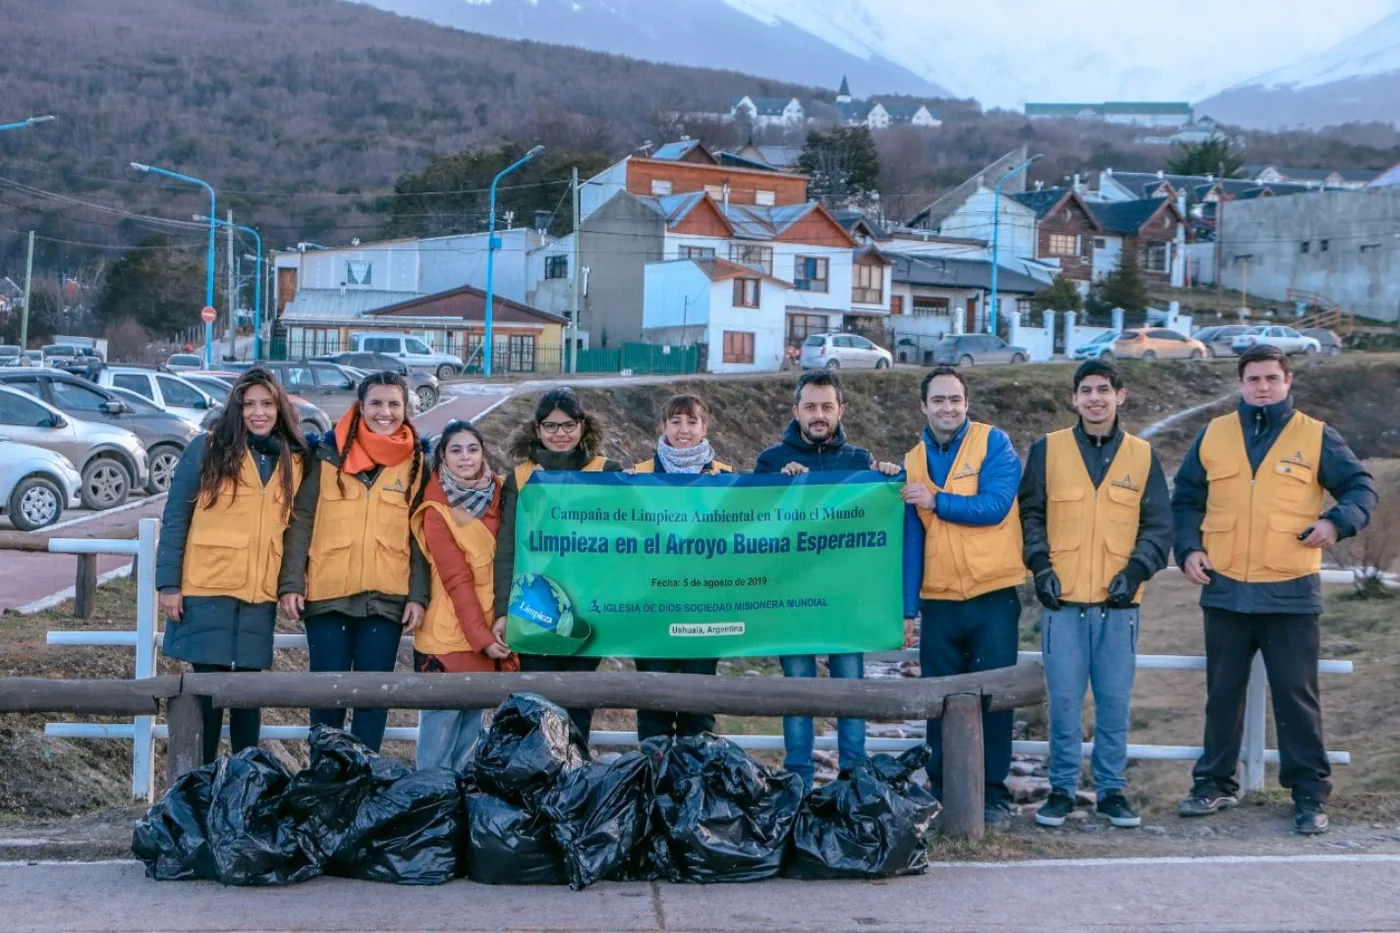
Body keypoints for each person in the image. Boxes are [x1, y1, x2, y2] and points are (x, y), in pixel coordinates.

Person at [1172, 344, 1375, 835]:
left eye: (1271, 378)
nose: (1262, 387)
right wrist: (1188, 549)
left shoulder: (1317, 436)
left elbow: (1360, 489)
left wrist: (1336, 522)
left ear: (1288, 383)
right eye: (1253, 379)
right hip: (1224, 589)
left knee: (1296, 696)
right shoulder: (1213, 435)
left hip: (1290, 591)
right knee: (1222, 695)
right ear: (1240, 384)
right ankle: (1215, 784)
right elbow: (1186, 501)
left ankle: (1309, 795)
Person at [1018, 359, 1172, 829]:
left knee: (1113, 703)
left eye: (1104, 390)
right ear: (1074, 398)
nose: (1095, 398)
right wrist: (1041, 567)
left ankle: (1111, 792)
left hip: (1119, 605)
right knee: (1063, 702)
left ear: (1120, 396)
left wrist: (1138, 570)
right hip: (1062, 603)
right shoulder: (1048, 451)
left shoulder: (1143, 456)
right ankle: (1062, 790)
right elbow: (1031, 516)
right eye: (1086, 390)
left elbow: (1159, 526)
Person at [754, 370, 900, 790]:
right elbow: (750, 525)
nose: (819, 415)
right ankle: (798, 780)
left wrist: (886, 479)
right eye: (811, 407)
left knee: (850, 690)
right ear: (795, 410)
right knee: (798, 691)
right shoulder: (771, 460)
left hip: (844, 600)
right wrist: (779, 488)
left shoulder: (859, 462)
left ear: (841, 411)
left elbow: (879, 518)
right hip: (790, 599)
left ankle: (854, 778)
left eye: (827, 407)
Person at [155, 367, 309, 764]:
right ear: (236, 409)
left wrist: (292, 581)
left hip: (259, 593)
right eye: (249, 404)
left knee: (248, 698)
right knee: (206, 697)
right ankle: (201, 788)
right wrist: (168, 584)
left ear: (280, 408)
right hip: (208, 586)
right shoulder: (207, 448)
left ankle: (244, 786)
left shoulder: (293, 460)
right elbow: (176, 518)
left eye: (266, 404)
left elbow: (292, 529)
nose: (258, 413)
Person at [278, 371, 429, 752]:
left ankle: (365, 780)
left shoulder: (416, 461)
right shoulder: (325, 455)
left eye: (394, 404)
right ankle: (326, 781)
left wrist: (418, 595)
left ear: (405, 408)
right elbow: (301, 520)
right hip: (328, 593)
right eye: (376, 403)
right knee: (327, 696)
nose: (385, 412)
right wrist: (292, 582)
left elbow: (422, 534)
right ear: (360, 406)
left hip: (387, 597)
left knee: (373, 697)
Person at [901, 366, 1025, 826]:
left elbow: (994, 507)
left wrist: (938, 500)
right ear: (923, 406)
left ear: (966, 403)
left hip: (993, 594)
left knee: (992, 698)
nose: (947, 408)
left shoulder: (995, 443)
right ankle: (942, 790)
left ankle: (992, 795)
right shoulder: (912, 460)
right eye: (938, 400)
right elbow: (913, 539)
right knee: (940, 699)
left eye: (955, 399)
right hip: (940, 601)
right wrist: (908, 607)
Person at [494, 387, 624, 741]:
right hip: (535, 606)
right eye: (550, 426)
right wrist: (501, 608)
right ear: (537, 430)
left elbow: (629, 539)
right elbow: (507, 546)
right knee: (540, 699)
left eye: (568, 425)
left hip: (589, 609)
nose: (560, 433)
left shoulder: (607, 471)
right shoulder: (520, 478)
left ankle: (576, 775)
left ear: (582, 426)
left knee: (579, 700)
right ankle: (543, 776)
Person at [409, 419, 515, 771]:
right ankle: (430, 810)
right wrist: (481, 638)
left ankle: (458, 816)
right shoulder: (434, 508)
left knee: (470, 736)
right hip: (449, 635)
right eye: (455, 450)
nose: (465, 457)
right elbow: (456, 578)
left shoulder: (501, 492)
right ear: (442, 456)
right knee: (438, 741)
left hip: (490, 627)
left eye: (472, 449)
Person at [630, 394, 732, 742]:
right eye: (675, 422)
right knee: (653, 707)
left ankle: (695, 787)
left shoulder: (728, 479)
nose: (683, 430)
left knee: (698, 709)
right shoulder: (636, 476)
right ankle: (654, 786)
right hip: (651, 609)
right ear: (662, 427)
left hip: (705, 611)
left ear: (705, 427)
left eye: (692, 422)